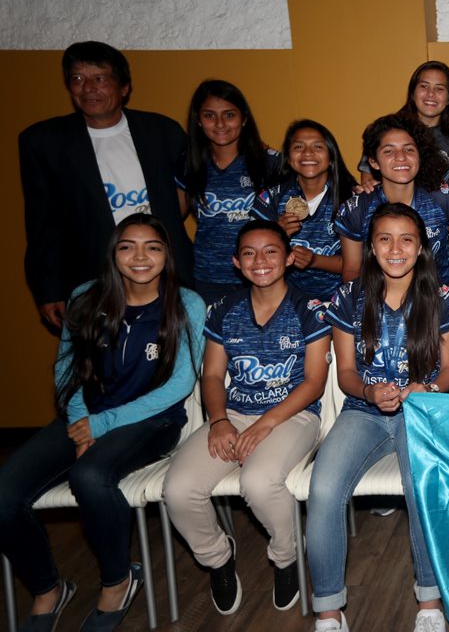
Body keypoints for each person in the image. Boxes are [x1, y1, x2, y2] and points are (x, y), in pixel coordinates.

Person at [0, 214, 205, 631]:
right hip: (85, 416)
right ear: (113, 254)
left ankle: (118, 579)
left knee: (90, 476)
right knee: (3, 493)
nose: (140, 256)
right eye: (128, 246)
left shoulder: (186, 304)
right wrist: (83, 422)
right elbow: (67, 370)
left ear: (166, 256)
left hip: (152, 420)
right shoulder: (85, 298)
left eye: (153, 247)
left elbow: (181, 383)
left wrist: (104, 424)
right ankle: (48, 588)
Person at [162, 220, 330, 616]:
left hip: (293, 415)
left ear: (289, 258)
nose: (261, 260)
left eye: (271, 251)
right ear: (236, 262)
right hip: (233, 414)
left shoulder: (310, 309)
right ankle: (218, 560)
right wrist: (219, 420)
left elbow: (313, 383)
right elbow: (215, 375)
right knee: (179, 490)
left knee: (259, 482)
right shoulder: (223, 310)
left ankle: (286, 555)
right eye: (250, 253)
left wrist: (265, 424)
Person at [308, 203, 449, 632]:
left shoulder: (445, 298)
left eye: (407, 239)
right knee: (322, 489)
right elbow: (347, 375)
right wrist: (369, 392)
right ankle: (328, 610)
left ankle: (429, 602)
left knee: (421, 487)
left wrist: (426, 389)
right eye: (385, 239)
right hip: (363, 410)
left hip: (421, 411)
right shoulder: (347, 296)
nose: (396, 248)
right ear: (371, 247)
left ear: (421, 247)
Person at [21, 41, 193, 330]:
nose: (88, 88)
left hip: (166, 277)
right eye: (78, 79)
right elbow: (41, 221)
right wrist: (48, 288)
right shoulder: (44, 142)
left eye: (99, 78)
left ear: (124, 87)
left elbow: (196, 183)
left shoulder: (163, 132)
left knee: (174, 360)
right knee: (103, 367)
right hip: (93, 278)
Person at [180, 79, 279, 303]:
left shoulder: (270, 163)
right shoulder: (189, 163)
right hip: (209, 278)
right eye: (209, 115)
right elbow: (171, 219)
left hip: (262, 272)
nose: (220, 123)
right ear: (198, 120)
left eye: (229, 115)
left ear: (244, 118)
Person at [336, 114, 449, 290]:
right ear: (374, 162)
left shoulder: (442, 198)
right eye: (389, 151)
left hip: (441, 306)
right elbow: (351, 270)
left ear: (419, 156)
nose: (400, 157)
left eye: (409, 149)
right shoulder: (357, 209)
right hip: (382, 304)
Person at [253, 120, 354, 301]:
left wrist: (315, 260)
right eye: (298, 146)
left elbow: (356, 265)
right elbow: (253, 256)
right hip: (284, 299)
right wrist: (276, 234)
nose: (308, 153)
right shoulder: (272, 197)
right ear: (288, 157)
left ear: (331, 157)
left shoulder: (350, 199)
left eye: (317, 146)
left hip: (336, 299)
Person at [357, 61, 449, 184]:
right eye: (424, 86)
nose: (430, 94)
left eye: (439, 89)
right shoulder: (386, 131)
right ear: (413, 93)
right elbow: (368, 182)